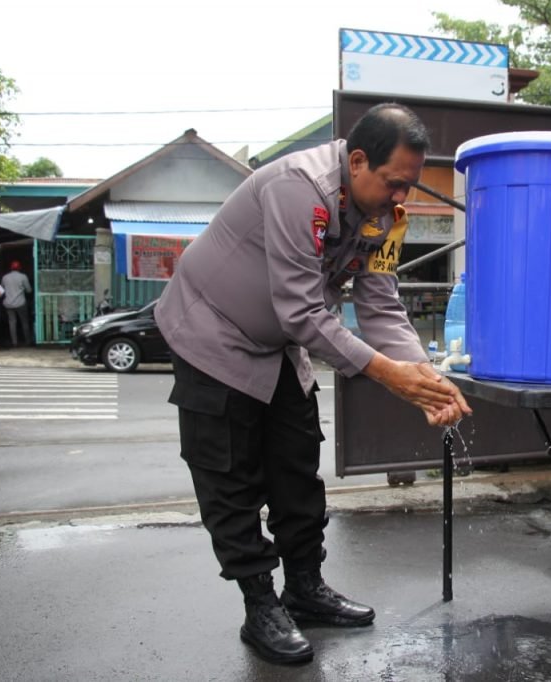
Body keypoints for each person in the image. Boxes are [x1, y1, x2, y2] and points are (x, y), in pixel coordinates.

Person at [154, 102, 472, 666]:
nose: (401, 197)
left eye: (410, 185)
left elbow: (379, 303)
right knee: (230, 478)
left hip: (278, 342)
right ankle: (260, 606)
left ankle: (304, 589)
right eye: (394, 183)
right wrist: (388, 375)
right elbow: (302, 311)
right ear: (357, 160)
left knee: (297, 466)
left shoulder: (383, 215)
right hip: (212, 333)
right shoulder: (296, 188)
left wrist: (424, 378)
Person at [1, 261, 33, 347]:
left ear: (11, 268)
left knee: (12, 322)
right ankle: (28, 341)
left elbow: (1, 290)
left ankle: (14, 342)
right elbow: (29, 290)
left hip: (8, 303)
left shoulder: (5, 277)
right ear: (19, 268)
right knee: (24, 322)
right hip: (20, 302)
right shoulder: (23, 276)